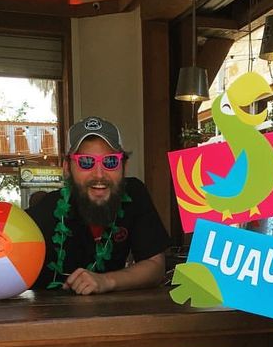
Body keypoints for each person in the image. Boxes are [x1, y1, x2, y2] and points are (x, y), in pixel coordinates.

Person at [27, 116, 170, 294]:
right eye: (86, 162)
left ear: (124, 167)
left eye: (110, 161)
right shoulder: (44, 213)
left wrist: (106, 281)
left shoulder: (134, 194)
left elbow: (155, 266)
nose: (99, 174)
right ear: (66, 167)